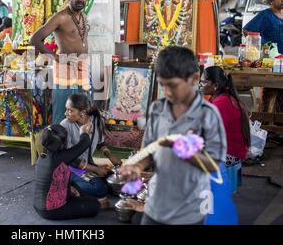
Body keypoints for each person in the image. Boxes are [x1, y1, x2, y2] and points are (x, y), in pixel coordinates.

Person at [119, 46, 227, 225]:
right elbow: (149, 151)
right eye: (163, 85)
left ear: (194, 78)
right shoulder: (157, 109)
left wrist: (187, 152)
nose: (167, 92)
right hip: (155, 206)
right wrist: (137, 167)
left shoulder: (208, 114)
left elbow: (213, 164)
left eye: (174, 86)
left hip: (189, 210)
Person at [30, 0, 91, 124]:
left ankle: (77, 143)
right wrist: (57, 58)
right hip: (65, 68)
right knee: (63, 112)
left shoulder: (83, 15)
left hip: (82, 67)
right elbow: (35, 39)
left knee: (81, 111)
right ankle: (56, 145)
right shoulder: (61, 17)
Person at [60, 93, 122, 209]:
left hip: (88, 165)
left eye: (70, 110)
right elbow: (70, 159)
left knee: (114, 179)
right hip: (71, 167)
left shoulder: (97, 121)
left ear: (82, 112)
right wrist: (96, 169)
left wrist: (109, 154)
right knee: (100, 188)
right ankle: (67, 186)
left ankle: (88, 191)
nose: (65, 113)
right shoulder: (65, 125)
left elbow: (100, 143)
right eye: (66, 110)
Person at [33, 124, 100, 220]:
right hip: (51, 210)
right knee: (95, 204)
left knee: (77, 187)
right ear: (62, 143)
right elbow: (85, 143)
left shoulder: (44, 155)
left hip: (38, 205)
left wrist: (71, 188)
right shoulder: (59, 158)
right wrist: (83, 132)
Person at [243, 0, 283, 115]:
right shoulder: (266, 15)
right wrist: (261, 46)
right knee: (271, 93)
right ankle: (267, 126)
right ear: (271, 0)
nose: (282, 0)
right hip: (271, 62)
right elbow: (247, 30)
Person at [200, 66, 251, 167]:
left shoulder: (222, 103)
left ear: (215, 85)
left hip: (230, 153)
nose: (200, 85)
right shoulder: (218, 98)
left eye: (204, 82)